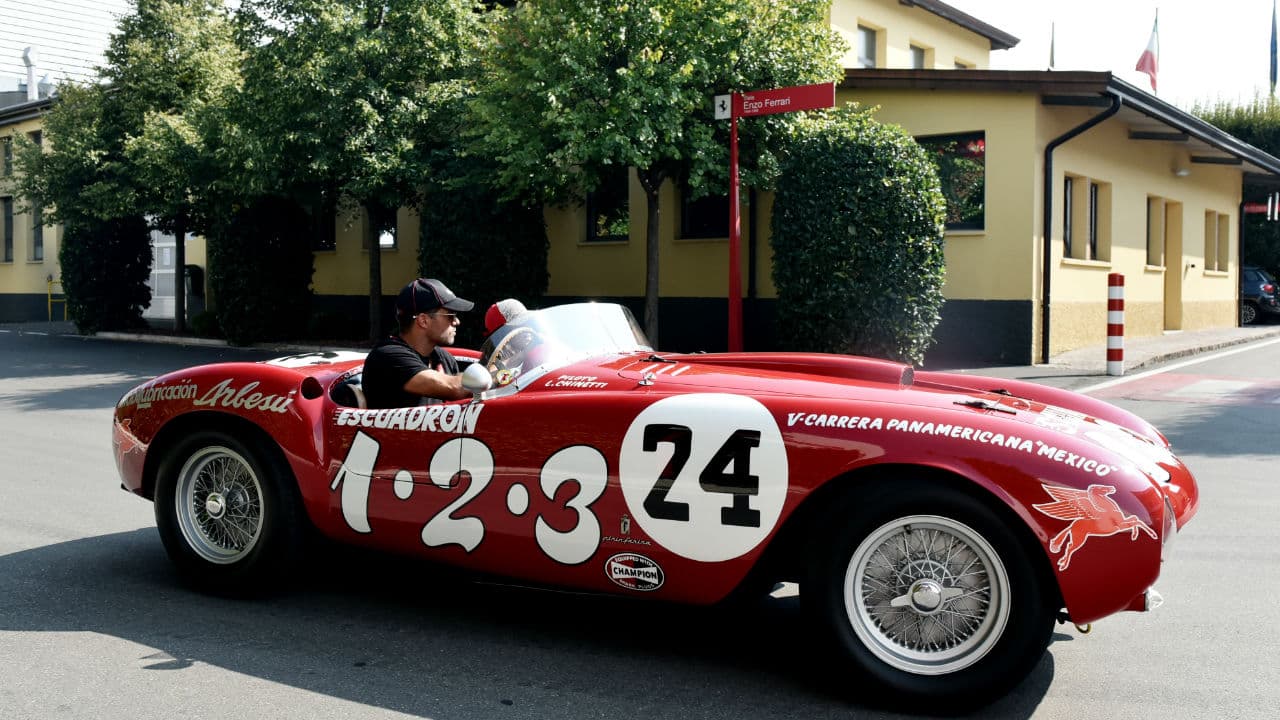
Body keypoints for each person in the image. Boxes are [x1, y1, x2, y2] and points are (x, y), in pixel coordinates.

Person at [361, 278, 474, 409]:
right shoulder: (388, 356)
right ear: (423, 321)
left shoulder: (443, 358)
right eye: (450, 315)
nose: (456, 322)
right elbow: (454, 387)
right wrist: (498, 374)